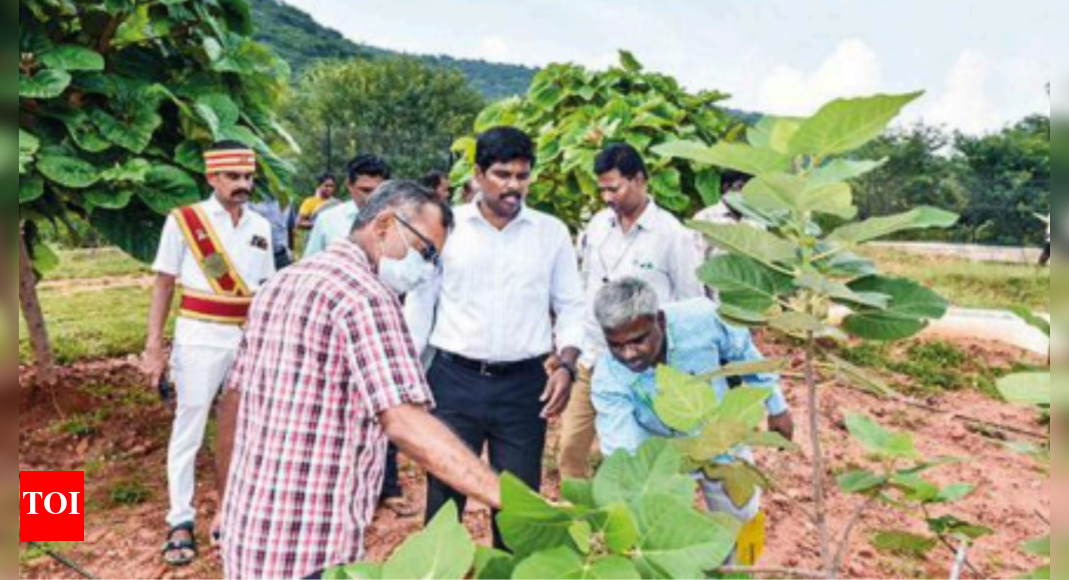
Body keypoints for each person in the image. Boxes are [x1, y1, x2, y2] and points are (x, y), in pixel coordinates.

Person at [218, 181, 500, 580]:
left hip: (249, 534)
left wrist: (224, 501)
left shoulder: (282, 282)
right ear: (384, 225)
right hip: (310, 548)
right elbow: (405, 421)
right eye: (425, 251)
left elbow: (235, 399)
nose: (426, 270)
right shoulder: (366, 298)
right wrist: (503, 495)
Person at [405, 126, 586, 549]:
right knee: (444, 501)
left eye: (522, 176)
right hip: (453, 381)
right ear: (478, 174)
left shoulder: (551, 233)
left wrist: (566, 364)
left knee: (518, 506)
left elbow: (572, 305)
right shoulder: (446, 227)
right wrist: (409, 375)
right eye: (502, 175)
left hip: (524, 388)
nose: (513, 186)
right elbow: (421, 303)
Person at [141, 141, 277, 567]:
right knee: (190, 427)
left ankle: (231, 511)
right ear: (212, 177)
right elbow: (164, 284)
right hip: (199, 337)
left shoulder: (261, 225)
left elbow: (267, 286)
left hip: (248, 336)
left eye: (248, 177)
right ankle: (180, 519)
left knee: (244, 427)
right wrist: (153, 348)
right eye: (233, 177)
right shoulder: (185, 222)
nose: (243, 185)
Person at [589, 278, 795, 559]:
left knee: (741, 517)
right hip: (662, 455)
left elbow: (745, 355)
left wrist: (776, 406)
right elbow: (625, 453)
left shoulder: (702, 319)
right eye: (616, 345)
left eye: (638, 340)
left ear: (659, 321)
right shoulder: (608, 377)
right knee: (667, 539)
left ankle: (741, 573)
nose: (629, 354)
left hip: (719, 441)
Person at [557, 143, 705, 480]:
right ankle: (578, 520)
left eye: (614, 188)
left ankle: (634, 521)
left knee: (634, 457)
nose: (608, 197)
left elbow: (689, 301)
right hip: (594, 356)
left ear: (639, 180)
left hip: (641, 365)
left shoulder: (671, 235)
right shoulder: (597, 226)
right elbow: (585, 285)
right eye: (602, 190)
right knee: (570, 448)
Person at [304, 154, 391, 257]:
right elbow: (310, 264)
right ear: (349, 185)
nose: (371, 197)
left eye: (378, 190)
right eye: (365, 190)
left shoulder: (399, 221)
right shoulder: (327, 221)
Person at [248, 192, 297, 270]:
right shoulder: (249, 201)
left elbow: (290, 227)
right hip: (257, 256)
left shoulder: (286, 199)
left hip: (281, 254)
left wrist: (292, 251)